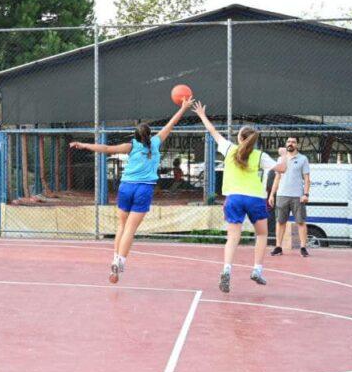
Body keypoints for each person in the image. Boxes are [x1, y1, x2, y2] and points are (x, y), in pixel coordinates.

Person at [69, 97, 193, 284]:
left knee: (121, 226)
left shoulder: (131, 146)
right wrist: (183, 108)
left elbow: (106, 148)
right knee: (131, 229)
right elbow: (171, 123)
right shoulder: (156, 142)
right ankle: (120, 262)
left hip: (126, 187)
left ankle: (114, 259)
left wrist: (84, 145)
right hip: (144, 189)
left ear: (135, 136)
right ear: (150, 134)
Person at [192, 101, 288, 293]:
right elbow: (282, 168)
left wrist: (202, 115)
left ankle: (227, 269)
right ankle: (257, 270)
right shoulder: (259, 155)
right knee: (262, 234)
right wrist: (284, 154)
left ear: (239, 137)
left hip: (234, 198)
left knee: (233, 237)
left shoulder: (229, 149)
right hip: (255, 198)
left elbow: (213, 131)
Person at [268, 136, 312, 257]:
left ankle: (303, 247)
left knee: (301, 222)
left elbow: (307, 179)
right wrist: (271, 195)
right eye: (288, 141)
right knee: (280, 222)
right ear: (286, 144)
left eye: (293, 142)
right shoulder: (281, 159)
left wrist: (306, 194)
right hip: (282, 195)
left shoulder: (303, 159)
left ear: (297, 144)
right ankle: (278, 247)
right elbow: (277, 178)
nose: (290, 143)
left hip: (297, 196)